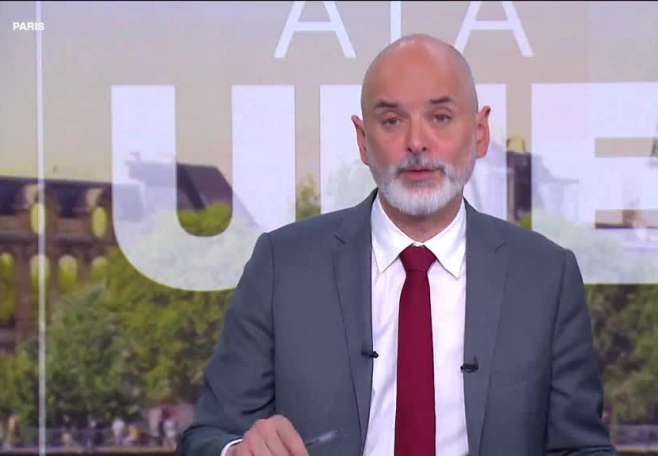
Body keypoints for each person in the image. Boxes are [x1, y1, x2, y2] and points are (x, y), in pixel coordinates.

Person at [179, 34, 614, 455]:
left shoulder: (545, 277)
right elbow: (205, 438)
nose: (416, 142)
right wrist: (235, 451)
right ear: (363, 140)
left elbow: (581, 448)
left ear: (480, 132)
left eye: (440, 117)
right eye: (391, 121)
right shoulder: (283, 267)